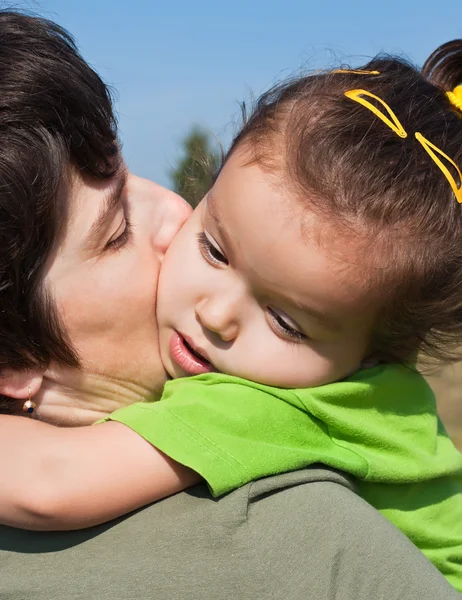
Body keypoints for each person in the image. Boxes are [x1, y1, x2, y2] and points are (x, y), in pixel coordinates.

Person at [0, 10, 459, 600]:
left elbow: (50, 481)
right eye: (215, 249)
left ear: (379, 353)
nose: (216, 315)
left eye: (286, 321)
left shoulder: (270, 409)